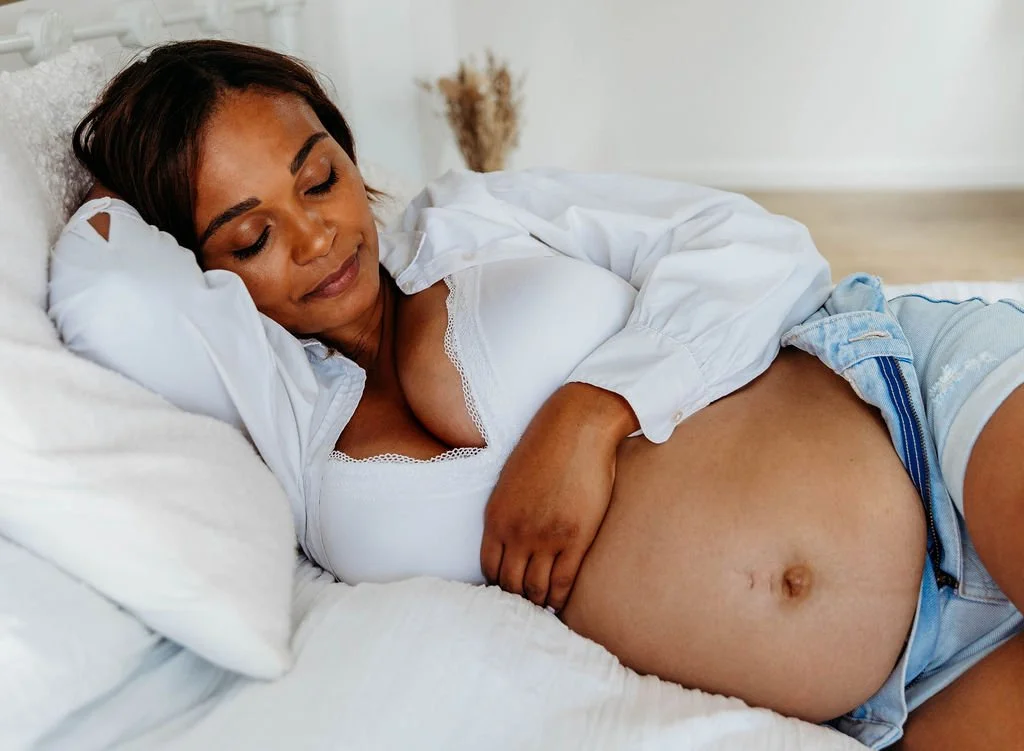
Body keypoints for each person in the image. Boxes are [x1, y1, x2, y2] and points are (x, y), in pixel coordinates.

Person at [48, 41, 1023, 749]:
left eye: (319, 179)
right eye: (248, 235)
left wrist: (591, 409)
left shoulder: (472, 221)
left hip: (920, 410)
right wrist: (123, 174)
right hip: (900, 690)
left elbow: (752, 244)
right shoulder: (287, 426)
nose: (316, 238)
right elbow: (112, 284)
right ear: (198, 264)